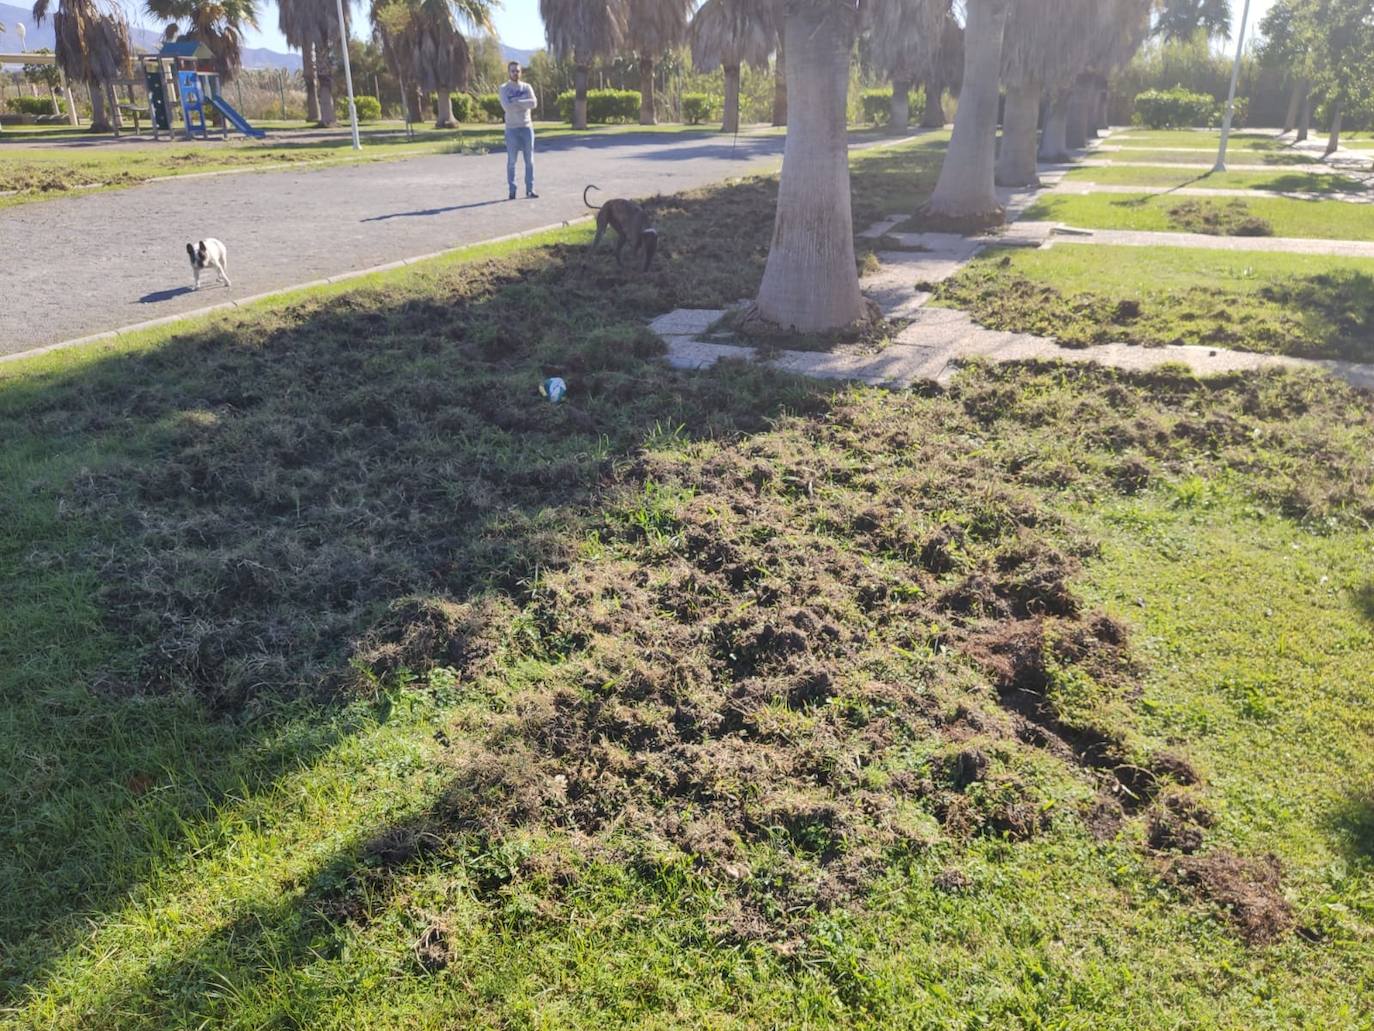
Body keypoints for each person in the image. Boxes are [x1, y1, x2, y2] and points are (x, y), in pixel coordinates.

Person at [498, 61, 538, 200]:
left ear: (521, 72)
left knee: (529, 161)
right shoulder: (504, 88)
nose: (516, 73)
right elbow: (507, 107)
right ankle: (512, 190)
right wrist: (523, 103)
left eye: (518, 71)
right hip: (512, 129)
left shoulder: (527, 87)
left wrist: (517, 102)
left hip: (527, 128)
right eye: (513, 71)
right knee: (512, 161)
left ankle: (530, 189)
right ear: (509, 72)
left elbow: (533, 103)